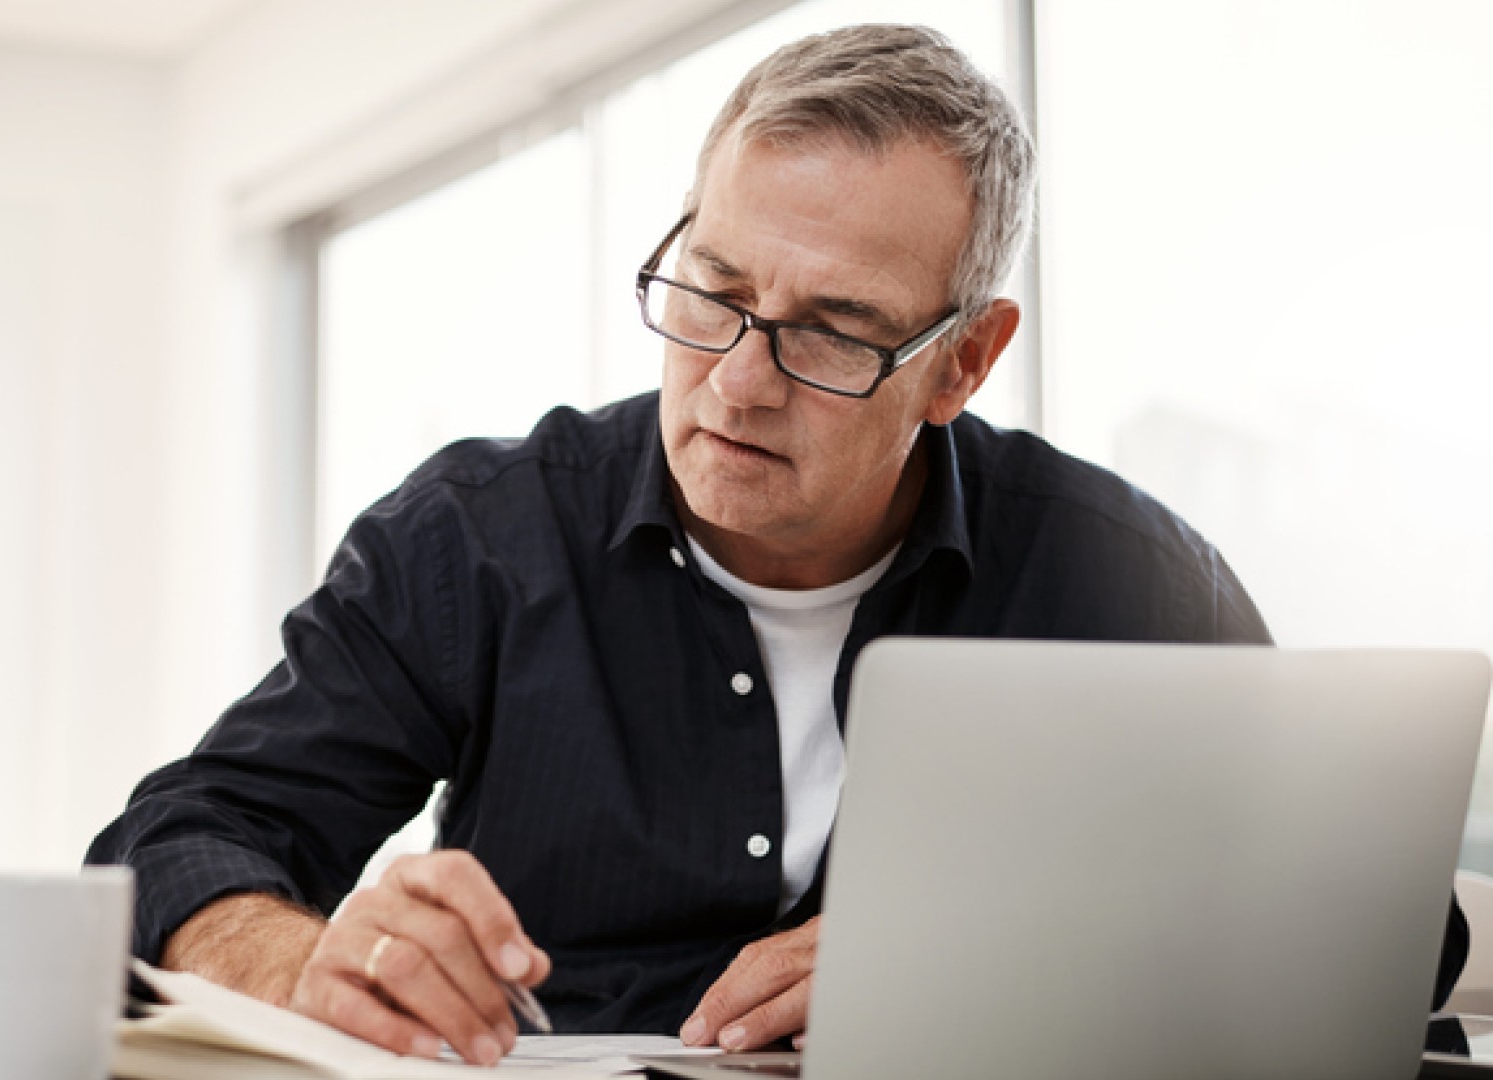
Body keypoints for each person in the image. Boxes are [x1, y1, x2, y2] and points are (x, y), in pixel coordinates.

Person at [88, 23, 1466, 1066]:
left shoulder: (1126, 575)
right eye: (717, 291)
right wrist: (308, 958)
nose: (740, 380)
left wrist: (996, 963)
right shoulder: (477, 539)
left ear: (963, 364)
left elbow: (1384, 933)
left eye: (830, 331)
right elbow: (172, 842)